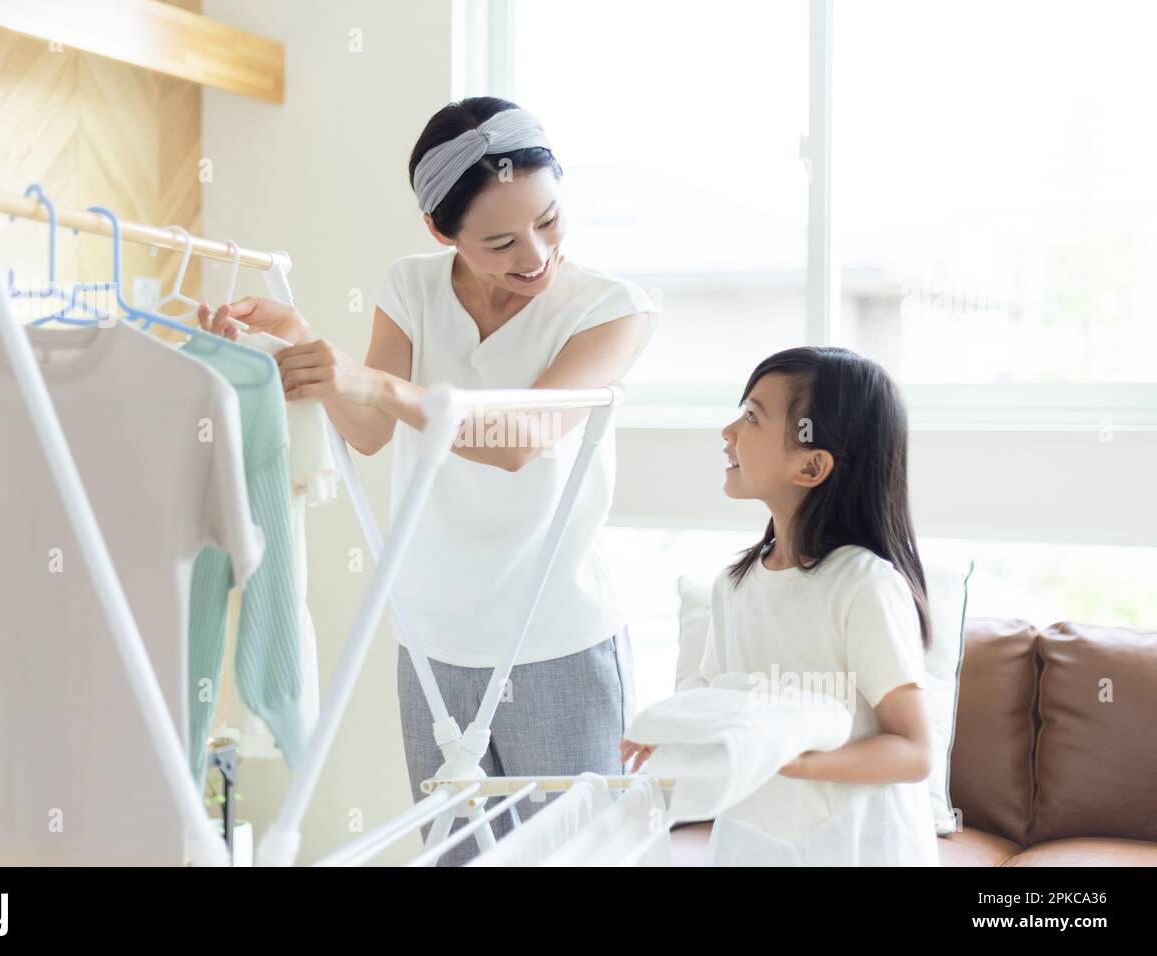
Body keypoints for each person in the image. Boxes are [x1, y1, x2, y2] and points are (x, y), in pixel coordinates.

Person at [199, 96, 657, 865]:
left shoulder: (610, 308)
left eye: (549, 219)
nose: (536, 254)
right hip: (432, 643)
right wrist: (310, 349)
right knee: (454, 859)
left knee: (577, 859)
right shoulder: (410, 288)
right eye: (501, 240)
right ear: (441, 232)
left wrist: (376, 388)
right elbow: (372, 430)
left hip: (557, 645)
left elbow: (525, 436)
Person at [622, 346, 939, 865]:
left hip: (857, 847)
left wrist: (793, 759)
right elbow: (718, 706)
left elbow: (913, 751)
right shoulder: (733, 586)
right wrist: (670, 736)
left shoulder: (863, 586)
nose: (728, 431)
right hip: (753, 839)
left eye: (751, 417)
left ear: (812, 464)